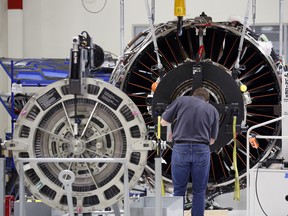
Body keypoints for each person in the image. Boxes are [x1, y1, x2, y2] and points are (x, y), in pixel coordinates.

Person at [160, 87, 219, 216]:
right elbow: (212, 140)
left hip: (181, 149)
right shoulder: (212, 110)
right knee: (199, 191)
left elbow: (163, 122)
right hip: (201, 150)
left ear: (193, 95)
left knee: (179, 189)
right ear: (207, 101)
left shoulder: (181, 101)